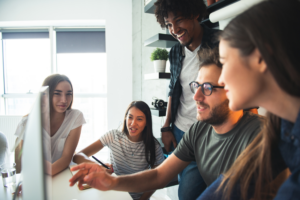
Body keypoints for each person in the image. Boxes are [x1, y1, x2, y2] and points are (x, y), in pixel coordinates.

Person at [68, 48, 264, 198]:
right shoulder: (198, 130)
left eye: (207, 88)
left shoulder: (261, 135)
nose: (195, 96)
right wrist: (111, 181)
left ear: (235, 90)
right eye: (196, 85)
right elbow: (159, 175)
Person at [197, 0, 299, 199]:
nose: (221, 79)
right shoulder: (282, 125)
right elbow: (237, 181)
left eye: (224, 62)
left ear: (261, 57)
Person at [154, 0, 220, 199]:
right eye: (168, 24)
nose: (174, 29)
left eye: (179, 20)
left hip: (214, 132)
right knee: (187, 193)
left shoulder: (219, 43)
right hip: (182, 131)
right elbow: (173, 89)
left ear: (195, 14)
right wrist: (166, 126)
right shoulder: (175, 51)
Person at [72, 101, 165, 200]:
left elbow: (158, 178)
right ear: (125, 118)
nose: (133, 123)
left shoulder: (154, 146)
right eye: (130, 117)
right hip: (113, 194)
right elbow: (78, 156)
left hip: (138, 197)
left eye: (139, 119)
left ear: (147, 122)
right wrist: (99, 167)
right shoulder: (113, 136)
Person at [14, 74, 86, 176]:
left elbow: (66, 157)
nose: (64, 100)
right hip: (38, 176)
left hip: (64, 174)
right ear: (45, 95)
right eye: (57, 93)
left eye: (68, 94)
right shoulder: (27, 122)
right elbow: (29, 160)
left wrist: (52, 170)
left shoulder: (76, 116)